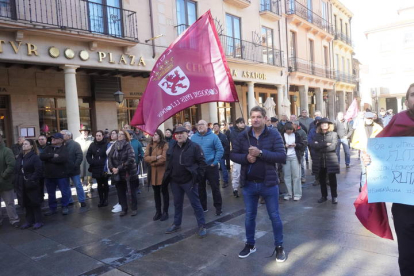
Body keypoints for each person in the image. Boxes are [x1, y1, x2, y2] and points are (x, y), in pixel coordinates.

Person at [360, 83, 414, 276]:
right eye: (413, 95)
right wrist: (369, 159)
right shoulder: (397, 121)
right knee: (408, 256)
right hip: (405, 206)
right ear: (406, 101)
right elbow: (380, 152)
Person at [231, 106, 287, 262]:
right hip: (249, 184)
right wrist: (245, 158)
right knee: (249, 216)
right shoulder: (243, 135)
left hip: (268, 183)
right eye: (253, 117)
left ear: (264, 118)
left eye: (258, 117)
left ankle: (279, 246)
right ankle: (250, 244)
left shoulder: (273, 134)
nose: (255, 119)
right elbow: (233, 154)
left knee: (274, 216)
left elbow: (282, 156)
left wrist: (260, 153)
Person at [162, 126, 207, 238]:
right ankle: (176, 224)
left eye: (182, 133)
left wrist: (197, 179)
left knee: (196, 204)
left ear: (187, 134)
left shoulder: (194, 147)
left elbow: (202, 163)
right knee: (177, 204)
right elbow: (169, 162)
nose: (179, 135)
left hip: (189, 182)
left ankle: (202, 225)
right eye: (177, 133)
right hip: (175, 181)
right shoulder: (172, 146)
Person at [191, 120, 224, 215]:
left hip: (211, 166)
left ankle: (218, 208)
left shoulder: (213, 137)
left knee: (215, 188)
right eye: (198, 125)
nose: (200, 126)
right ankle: (203, 207)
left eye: (202, 125)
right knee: (200, 188)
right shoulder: (193, 138)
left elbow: (220, 150)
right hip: (199, 168)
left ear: (207, 126)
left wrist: (215, 162)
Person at [108, 130, 139, 217]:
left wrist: (119, 168)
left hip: (128, 172)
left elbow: (131, 159)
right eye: (119, 134)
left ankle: (134, 208)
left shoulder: (128, 145)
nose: (119, 136)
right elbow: (109, 157)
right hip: (117, 173)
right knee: (120, 192)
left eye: (121, 134)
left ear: (125, 136)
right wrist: (112, 168)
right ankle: (124, 208)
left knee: (131, 191)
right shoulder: (114, 145)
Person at [14, 139, 44, 229]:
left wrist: (31, 180)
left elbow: (38, 170)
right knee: (26, 202)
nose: (24, 145)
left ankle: (38, 221)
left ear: (31, 146)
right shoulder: (20, 156)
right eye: (23, 144)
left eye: (26, 144)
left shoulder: (34, 157)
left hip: (31, 183)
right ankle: (29, 221)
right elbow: (17, 169)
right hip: (21, 183)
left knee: (34, 202)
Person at [350, 112, 383, 190]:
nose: (369, 120)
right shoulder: (359, 128)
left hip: (375, 152)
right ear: (364, 118)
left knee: (374, 170)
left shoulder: (378, 128)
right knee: (364, 171)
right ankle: (363, 189)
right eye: (368, 118)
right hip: (364, 152)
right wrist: (362, 148)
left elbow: (382, 140)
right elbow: (355, 142)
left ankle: (374, 188)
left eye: (370, 118)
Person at [40, 133, 70, 216]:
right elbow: (42, 156)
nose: (53, 139)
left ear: (61, 140)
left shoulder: (64, 149)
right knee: (51, 193)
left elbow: (62, 159)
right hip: (49, 175)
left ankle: (65, 206)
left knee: (64, 192)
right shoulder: (48, 148)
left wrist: (49, 159)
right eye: (52, 138)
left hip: (61, 175)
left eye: (55, 138)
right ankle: (52, 208)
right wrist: (52, 155)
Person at [311, 118, 339, 204]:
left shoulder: (334, 134)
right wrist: (325, 144)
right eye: (322, 124)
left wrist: (320, 146)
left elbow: (333, 147)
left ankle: (334, 196)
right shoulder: (316, 135)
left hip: (331, 160)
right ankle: (324, 196)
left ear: (329, 125)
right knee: (322, 179)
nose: (324, 125)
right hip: (320, 160)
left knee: (332, 179)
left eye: (325, 124)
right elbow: (313, 146)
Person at [144, 129, 169, 221]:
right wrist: (155, 158)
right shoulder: (149, 145)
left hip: (162, 173)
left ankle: (165, 212)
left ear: (159, 135)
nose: (153, 136)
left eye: (155, 134)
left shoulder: (164, 145)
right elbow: (146, 158)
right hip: (153, 174)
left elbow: (163, 158)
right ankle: (158, 211)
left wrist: (152, 163)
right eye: (152, 135)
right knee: (156, 193)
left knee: (164, 192)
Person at [61, 130, 87, 208]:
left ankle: (82, 200)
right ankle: (69, 200)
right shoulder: (61, 145)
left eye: (63, 134)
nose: (61, 136)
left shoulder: (75, 144)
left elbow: (79, 156)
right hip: (64, 169)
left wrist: (75, 165)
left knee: (78, 185)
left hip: (74, 169)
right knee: (66, 186)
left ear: (69, 136)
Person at [0, 134, 19, 228]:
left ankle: (14, 219)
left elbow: (11, 165)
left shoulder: (6, 150)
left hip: (5, 182)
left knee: (9, 203)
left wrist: (3, 176)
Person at [281, 123, 304, 201]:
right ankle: (288, 193)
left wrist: (296, 145)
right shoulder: (281, 135)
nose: (289, 132)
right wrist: (284, 145)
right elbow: (278, 145)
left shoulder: (296, 135)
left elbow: (302, 144)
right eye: (288, 131)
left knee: (296, 176)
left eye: (291, 130)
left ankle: (297, 194)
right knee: (287, 176)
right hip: (285, 157)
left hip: (295, 156)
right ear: (285, 130)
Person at [86, 130, 109, 207]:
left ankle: (106, 199)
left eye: (100, 135)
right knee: (99, 184)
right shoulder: (92, 145)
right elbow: (88, 155)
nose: (98, 137)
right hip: (96, 167)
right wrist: (92, 162)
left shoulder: (107, 144)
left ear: (103, 136)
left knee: (105, 183)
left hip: (104, 167)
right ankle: (101, 199)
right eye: (97, 135)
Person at [105, 130, 122, 213]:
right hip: (111, 167)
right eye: (111, 133)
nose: (112, 135)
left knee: (120, 186)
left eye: (114, 133)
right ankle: (120, 202)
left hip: (117, 168)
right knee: (116, 185)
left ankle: (121, 203)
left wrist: (116, 167)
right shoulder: (110, 144)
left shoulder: (118, 144)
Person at [230, 117, 246, 198]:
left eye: (243, 122)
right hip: (238, 154)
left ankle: (244, 185)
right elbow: (235, 142)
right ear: (237, 124)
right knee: (236, 172)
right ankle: (235, 188)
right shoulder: (233, 132)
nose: (243, 124)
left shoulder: (247, 130)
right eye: (241, 123)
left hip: (246, 154)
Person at [75, 126, 94, 191]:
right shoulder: (77, 140)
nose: (85, 132)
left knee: (89, 172)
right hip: (80, 157)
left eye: (86, 131)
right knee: (81, 171)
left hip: (89, 157)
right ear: (81, 132)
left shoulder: (92, 139)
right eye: (83, 131)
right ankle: (81, 185)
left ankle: (90, 185)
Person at [213, 123, 230, 188]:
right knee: (214, 168)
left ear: (219, 128)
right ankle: (215, 180)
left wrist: (221, 151)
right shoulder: (212, 136)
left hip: (221, 155)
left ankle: (225, 181)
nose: (215, 127)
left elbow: (227, 145)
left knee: (223, 168)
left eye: (216, 126)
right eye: (214, 126)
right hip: (213, 155)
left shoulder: (223, 136)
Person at [128, 129, 144, 194]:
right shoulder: (124, 142)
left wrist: (141, 156)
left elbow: (141, 150)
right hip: (126, 163)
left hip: (135, 162)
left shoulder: (136, 142)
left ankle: (136, 188)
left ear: (131, 135)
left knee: (135, 176)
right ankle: (128, 189)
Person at [307, 116, 322, 186]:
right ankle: (317, 179)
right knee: (316, 165)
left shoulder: (323, 129)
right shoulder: (312, 130)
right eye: (317, 121)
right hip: (315, 150)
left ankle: (325, 179)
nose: (318, 123)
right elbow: (309, 139)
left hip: (323, 150)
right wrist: (313, 144)